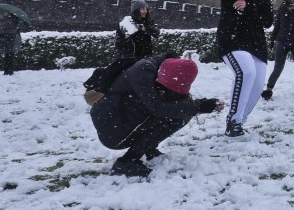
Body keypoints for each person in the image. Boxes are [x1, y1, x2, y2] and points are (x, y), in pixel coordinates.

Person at [90, 55, 222, 177]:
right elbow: (158, 108)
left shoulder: (157, 70)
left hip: (122, 122)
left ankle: (148, 148)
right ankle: (126, 162)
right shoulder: (142, 73)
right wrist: (198, 106)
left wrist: (202, 105)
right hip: (113, 132)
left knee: (179, 113)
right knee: (174, 115)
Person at [197, 0, 274, 137]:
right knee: (246, 72)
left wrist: (249, 8)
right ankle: (233, 121)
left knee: (256, 85)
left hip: (256, 45)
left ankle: (239, 122)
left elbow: (268, 22)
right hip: (232, 41)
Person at [0, 11, 24, 76]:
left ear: (9, 13)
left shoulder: (12, 21)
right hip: (10, 41)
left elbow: (9, 31)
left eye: (5, 12)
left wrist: (0, 31)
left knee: (8, 57)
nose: (4, 13)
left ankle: (8, 71)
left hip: (9, 41)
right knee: (9, 56)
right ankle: (8, 71)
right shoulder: (12, 20)